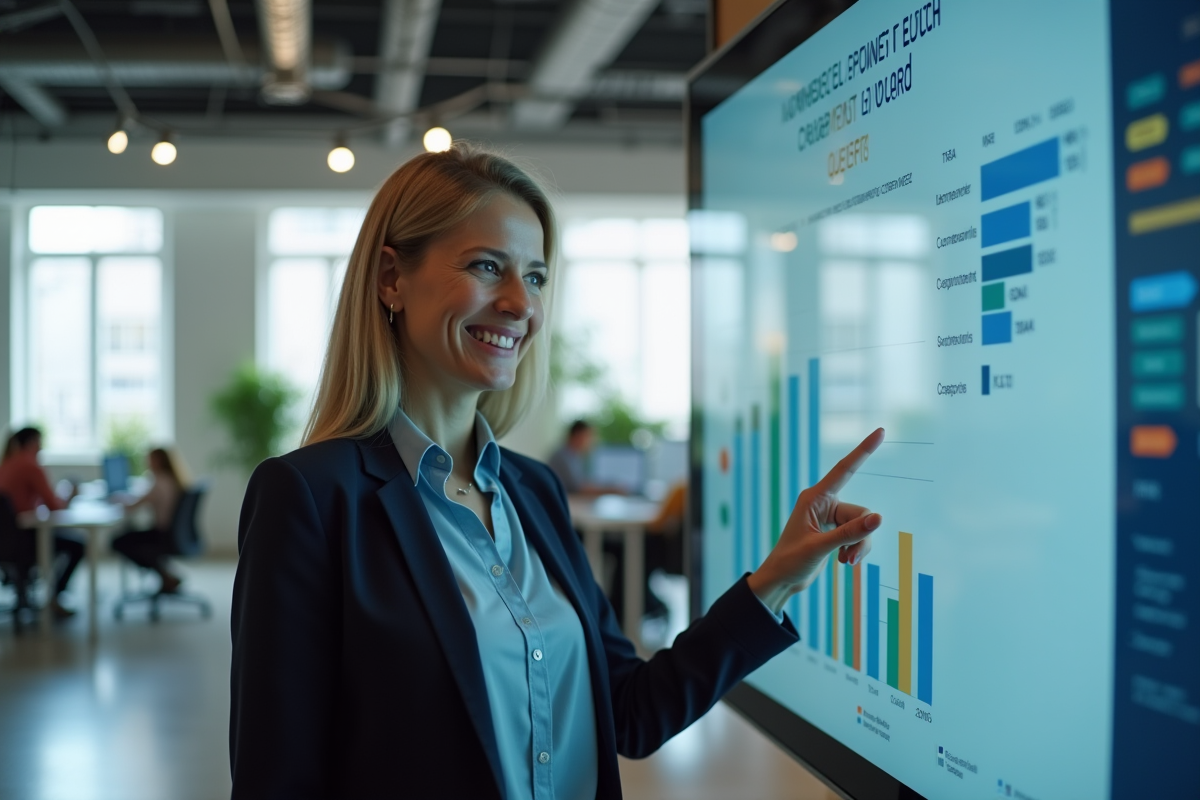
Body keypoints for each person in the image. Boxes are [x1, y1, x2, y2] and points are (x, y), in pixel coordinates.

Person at [229, 145, 885, 799]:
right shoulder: (311, 498)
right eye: (488, 267)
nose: (522, 305)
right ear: (391, 279)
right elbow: (276, 781)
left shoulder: (532, 490)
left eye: (537, 276)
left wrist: (775, 580)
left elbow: (630, 711)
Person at [0, 426, 85, 618]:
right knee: (78, 545)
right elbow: (54, 506)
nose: (41, 447)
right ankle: (55, 597)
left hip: (6, 539)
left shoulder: (6, 464)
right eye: (39, 442)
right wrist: (70, 495)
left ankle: (37, 595)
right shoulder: (30, 465)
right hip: (22, 539)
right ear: (31, 443)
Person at [111, 447, 189, 593]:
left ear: (158, 461)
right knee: (131, 536)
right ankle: (164, 573)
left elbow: (132, 506)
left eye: (150, 459)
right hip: (172, 534)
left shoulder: (159, 482)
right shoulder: (171, 479)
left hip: (162, 535)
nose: (147, 462)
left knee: (118, 541)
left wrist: (116, 500)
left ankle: (162, 573)